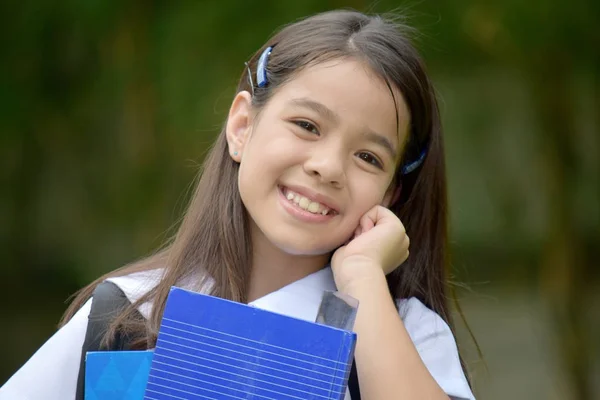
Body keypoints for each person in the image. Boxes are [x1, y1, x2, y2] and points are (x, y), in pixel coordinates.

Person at [0, 9, 475, 400]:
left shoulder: (403, 333)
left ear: (390, 195)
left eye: (368, 157)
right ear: (242, 125)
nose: (328, 167)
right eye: (307, 125)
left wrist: (364, 280)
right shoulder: (128, 314)